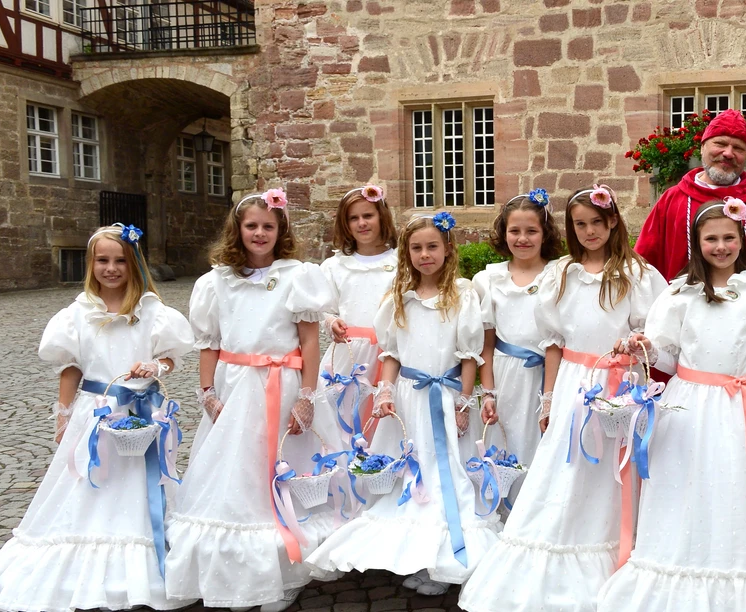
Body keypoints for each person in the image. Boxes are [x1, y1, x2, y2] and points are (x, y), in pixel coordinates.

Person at [458, 185, 667, 612]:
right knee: (564, 470)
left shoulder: (639, 275)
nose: (590, 231)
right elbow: (553, 343)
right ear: (570, 229)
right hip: (574, 380)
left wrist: (637, 348)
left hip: (617, 385)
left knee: (611, 476)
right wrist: (549, 399)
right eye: (580, 224)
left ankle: (614, 554)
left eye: (597, 222)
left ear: (613, 222)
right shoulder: (562, 274)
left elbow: (656, 341)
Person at [0, 224, 194, 612]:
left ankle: (143, 563)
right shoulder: (78, 314)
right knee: (89, 483)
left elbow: (170, 357)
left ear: (134, 265)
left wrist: (155, 367)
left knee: (138, 488)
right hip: (94, 415)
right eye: (102, 260)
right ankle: (77, 564)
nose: (111, 269)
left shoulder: (151, 311)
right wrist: (63, 415)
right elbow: (72, 368)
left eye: (120, 261)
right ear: (91, 264)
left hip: (140, 419)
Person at [597, 198, 746, 611]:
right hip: (689, 407)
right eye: (711, 239)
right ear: (697, 242)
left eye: (729, 238)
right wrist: (646, 349)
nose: (720, 247)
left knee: (731, 488)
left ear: (742, 240)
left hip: (739, 409)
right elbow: (670, 359)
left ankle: (734, 575)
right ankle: (676, 568)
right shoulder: (680, 293)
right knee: (684, 487)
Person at [306, 212, 499, 596]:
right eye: (416, 248)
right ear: (406, 252)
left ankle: (442, 556)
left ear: (448, 249)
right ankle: (407, 550)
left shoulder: (460, 295)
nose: (425, 255)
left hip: (443, 399)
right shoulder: (399, 296)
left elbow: (468, 356)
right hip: (407, 400)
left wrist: (464, 401)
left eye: (432, 247)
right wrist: (386, 390)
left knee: (444, 475)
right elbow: (391, 353)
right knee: (408, 477)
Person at [167, 189, 337, 611]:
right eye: (251, 226)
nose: (259, 233)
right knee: (236, 477)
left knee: (281, 474)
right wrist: (207, 392)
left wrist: (308, 396)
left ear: (280, 231)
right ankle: (239, 574)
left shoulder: (298, 276)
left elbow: (310, 344)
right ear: (237, 230)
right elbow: (210, 342)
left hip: (283, 386)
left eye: (268, 226)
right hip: (236, 387)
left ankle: (284, 572)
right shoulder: (217, 282)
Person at [471, 188, 562, 510]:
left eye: (531, 231)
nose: (523, 239)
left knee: (543, 445)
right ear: (503, 233)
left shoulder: (560, 273)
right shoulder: (489, 279)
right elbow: (486, 343)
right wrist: (489, 392)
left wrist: (550, 397)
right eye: (515, 231)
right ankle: (503, 511)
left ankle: (538, 514)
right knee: (507, 443)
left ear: (544, 233)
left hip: (550, 376)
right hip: (507, 374)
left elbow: (559, 336)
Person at [635, 109, 746, 281]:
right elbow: (644, 261)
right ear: (702, 147)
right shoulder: (672, 200)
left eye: (738, 148)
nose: (728, 153)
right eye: (720, 144)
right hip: (685, 305)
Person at [319, 184, 397, 451]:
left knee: (383, 422)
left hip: (388, 355)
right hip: (349, 355)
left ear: (382, 217)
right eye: (354, 218)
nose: (362, 223)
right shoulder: (335, 266)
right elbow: (324, 308)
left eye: (368, 216)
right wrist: (330, 322)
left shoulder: (399, 262)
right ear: (345, 224)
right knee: (344, 421)